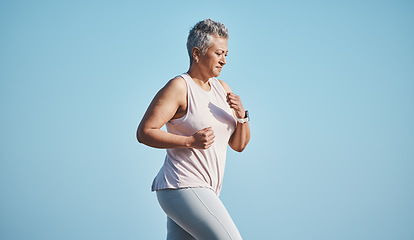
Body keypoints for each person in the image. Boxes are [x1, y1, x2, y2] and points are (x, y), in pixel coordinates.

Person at [137, 19, 250, 240]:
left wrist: (242, 117)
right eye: (219, 53)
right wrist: (190, 141)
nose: (224, 61)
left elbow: (239, 145)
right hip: (182, 185)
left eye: (226, 54)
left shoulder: (222, 89)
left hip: (205, 189)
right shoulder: (179, 87)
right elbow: (145, 132)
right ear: (197, 53)